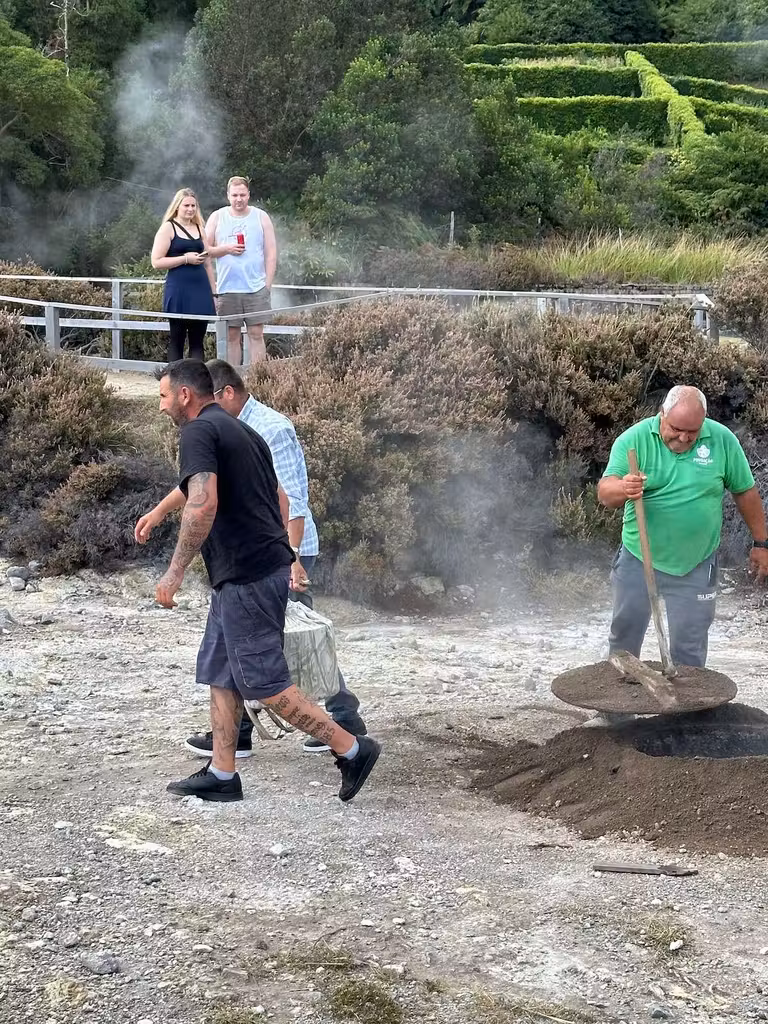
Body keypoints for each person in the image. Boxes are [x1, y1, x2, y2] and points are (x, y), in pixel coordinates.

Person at [134, 359, 380, 803]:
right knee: (221, 671)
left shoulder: (199, 432)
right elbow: (270, 496)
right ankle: (223, 775)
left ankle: (352, 747)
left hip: (246, 574)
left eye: (163, 397)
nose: (161, 407)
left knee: (264, 683)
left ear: (185, 395)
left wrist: (173, 572)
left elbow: (202, 505)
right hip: (250, 572)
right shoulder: (240, 431)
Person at [178, 359, 367, 760]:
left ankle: (345, 722)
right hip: (269, 554)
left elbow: (291, 498)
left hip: (284, 550)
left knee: (290, 645)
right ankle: (236, 739)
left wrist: (293, 557)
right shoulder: (231, 429)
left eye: (213, 398)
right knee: (248, 647)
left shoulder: (270, 428)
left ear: (227, 393)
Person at [598, 385, 768, 678]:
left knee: (689, 645)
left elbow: (745, 492)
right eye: (677, 429)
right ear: (662, 414)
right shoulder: (634, 439)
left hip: (697, 562)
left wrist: (761, 543)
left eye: (693, 431)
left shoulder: (722, 440)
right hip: (640, 559)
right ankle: (617, 715)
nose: (685, 438)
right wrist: (624, 487)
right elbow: (605, 493)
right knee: (625, 636)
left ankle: (687, 720)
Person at [204, 176, 277, 366]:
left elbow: (271, 253)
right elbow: (204, 250)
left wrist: (267, 285)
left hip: (255, 287)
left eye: (242, 195)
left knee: (256, 333)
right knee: (231, 336)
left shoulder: (261, 217)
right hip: (227, 288)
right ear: (228, 196)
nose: (239, 199)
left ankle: (258, 376)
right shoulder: (217, 217)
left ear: (249, 195)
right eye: (235, 195)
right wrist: (226, 249)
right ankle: (233, 380)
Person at [151, 188, 215, 362]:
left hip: (200, 289)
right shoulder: (168, 228)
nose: (190, 209)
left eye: (193, 205)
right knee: (177, 339)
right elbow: (156, 261)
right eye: (186, 205)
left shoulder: (200, 228)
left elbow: (208, 261)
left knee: (197, 341)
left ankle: (197, 383)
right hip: (178, 288)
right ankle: (175, 382)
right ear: (177, 206)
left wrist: (214, 292)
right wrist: (185, 259)